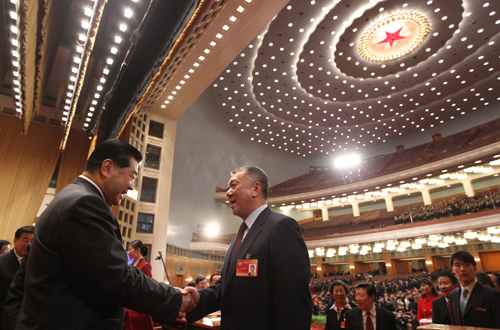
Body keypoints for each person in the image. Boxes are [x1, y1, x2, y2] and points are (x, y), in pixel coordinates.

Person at [12, 140, 198, 330]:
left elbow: (20, 284)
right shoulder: (84, 204)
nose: (132, 186)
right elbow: (118, 278)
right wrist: (175, 299)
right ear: (107, 168)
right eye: (132, 176)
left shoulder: (67, 198)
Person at [187, 166, 312, 329]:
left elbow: (294, 302)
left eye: (233, 185)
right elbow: (226, 288)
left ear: (255, 189)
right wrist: (195, 299)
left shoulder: (281, 227)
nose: (228, 192)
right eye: (227, 188)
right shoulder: (237, 238)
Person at [449, 250, 500, 328]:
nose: (462, 269)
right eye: (458, 265)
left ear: (475, 269)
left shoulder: (492, 294)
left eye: (467, 265)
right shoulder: (453, 294)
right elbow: (454, 323)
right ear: (453, 270)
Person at [0, 226, 34, 329]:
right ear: (15, 241)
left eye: (32, 241)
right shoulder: (1, 261)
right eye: (25, 240)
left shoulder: (36, 264)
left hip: (23, 319)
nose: (28, 244)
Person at [125, 240, 154, 330]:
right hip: (129, 305)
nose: (128, 252)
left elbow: (148, 287)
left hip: (138, 308)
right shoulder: (129, 265)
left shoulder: (145, 266)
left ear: (137, 250)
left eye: (130, 249)